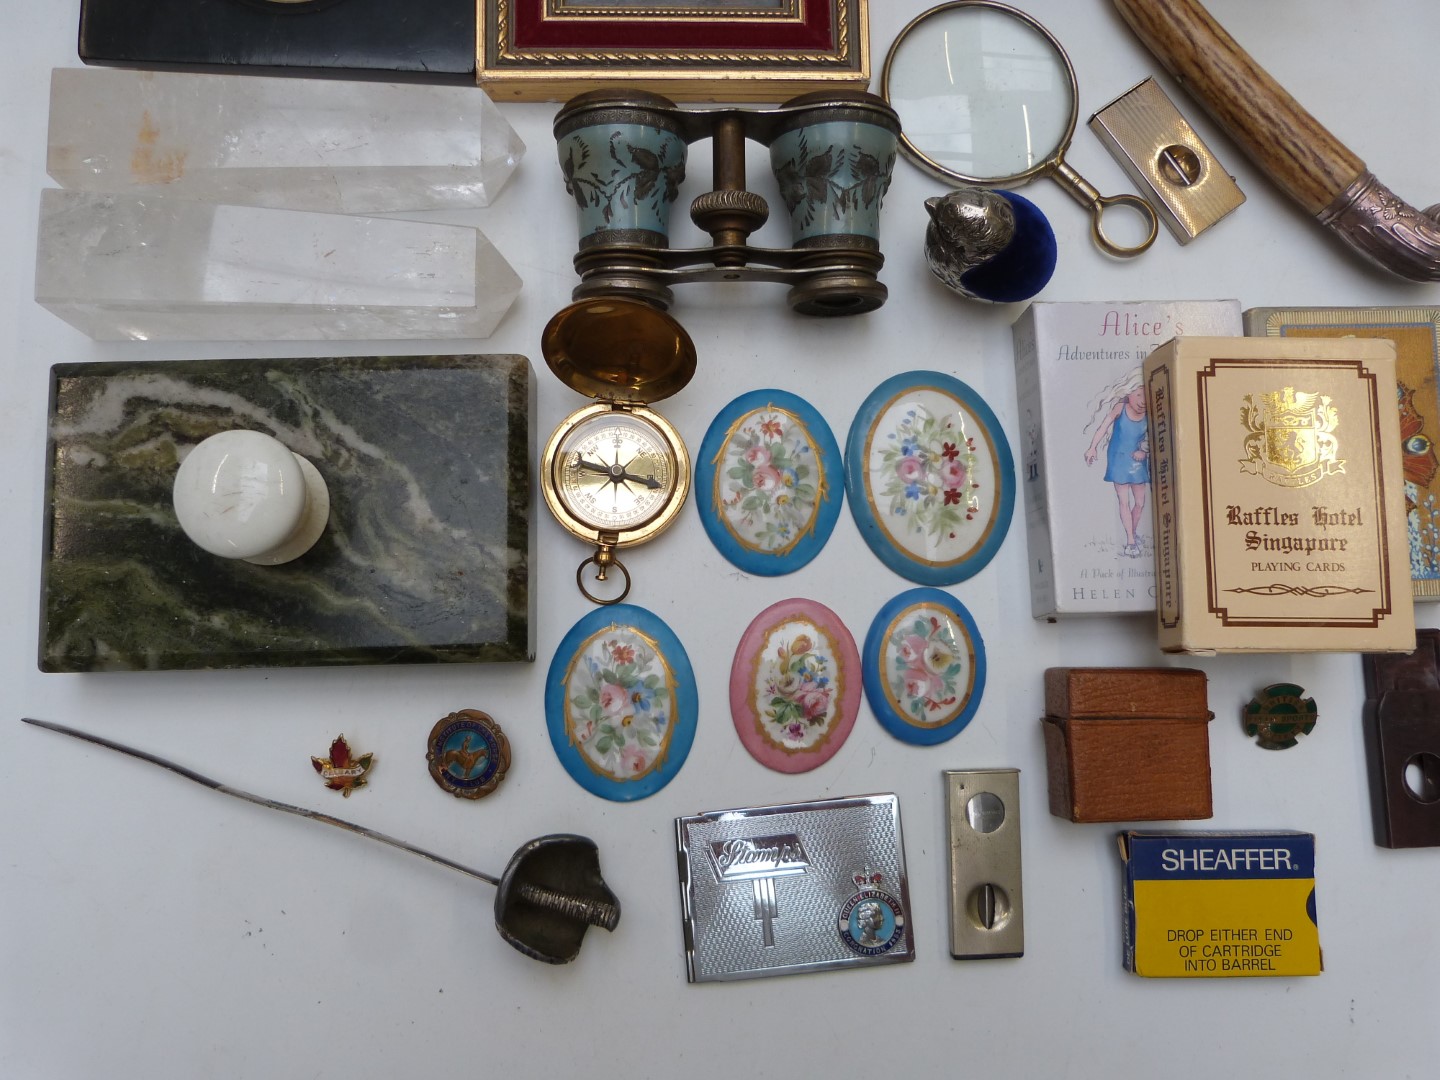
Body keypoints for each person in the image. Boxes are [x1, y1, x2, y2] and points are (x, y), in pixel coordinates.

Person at [1083, 371, 1150, 557]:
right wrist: (1092, 447)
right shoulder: (1120, 407)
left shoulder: (1151, 411)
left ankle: (1133, 533)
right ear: (1129, 395)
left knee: (1140, 502)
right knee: (1124, 501)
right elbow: (1103, 427)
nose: (1142, 399)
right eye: (1138, 394)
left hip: (1138, 460)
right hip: (1119, 459)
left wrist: (1144, 451)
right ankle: (1130, 540)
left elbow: (1154, 436)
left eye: (1145, 394)